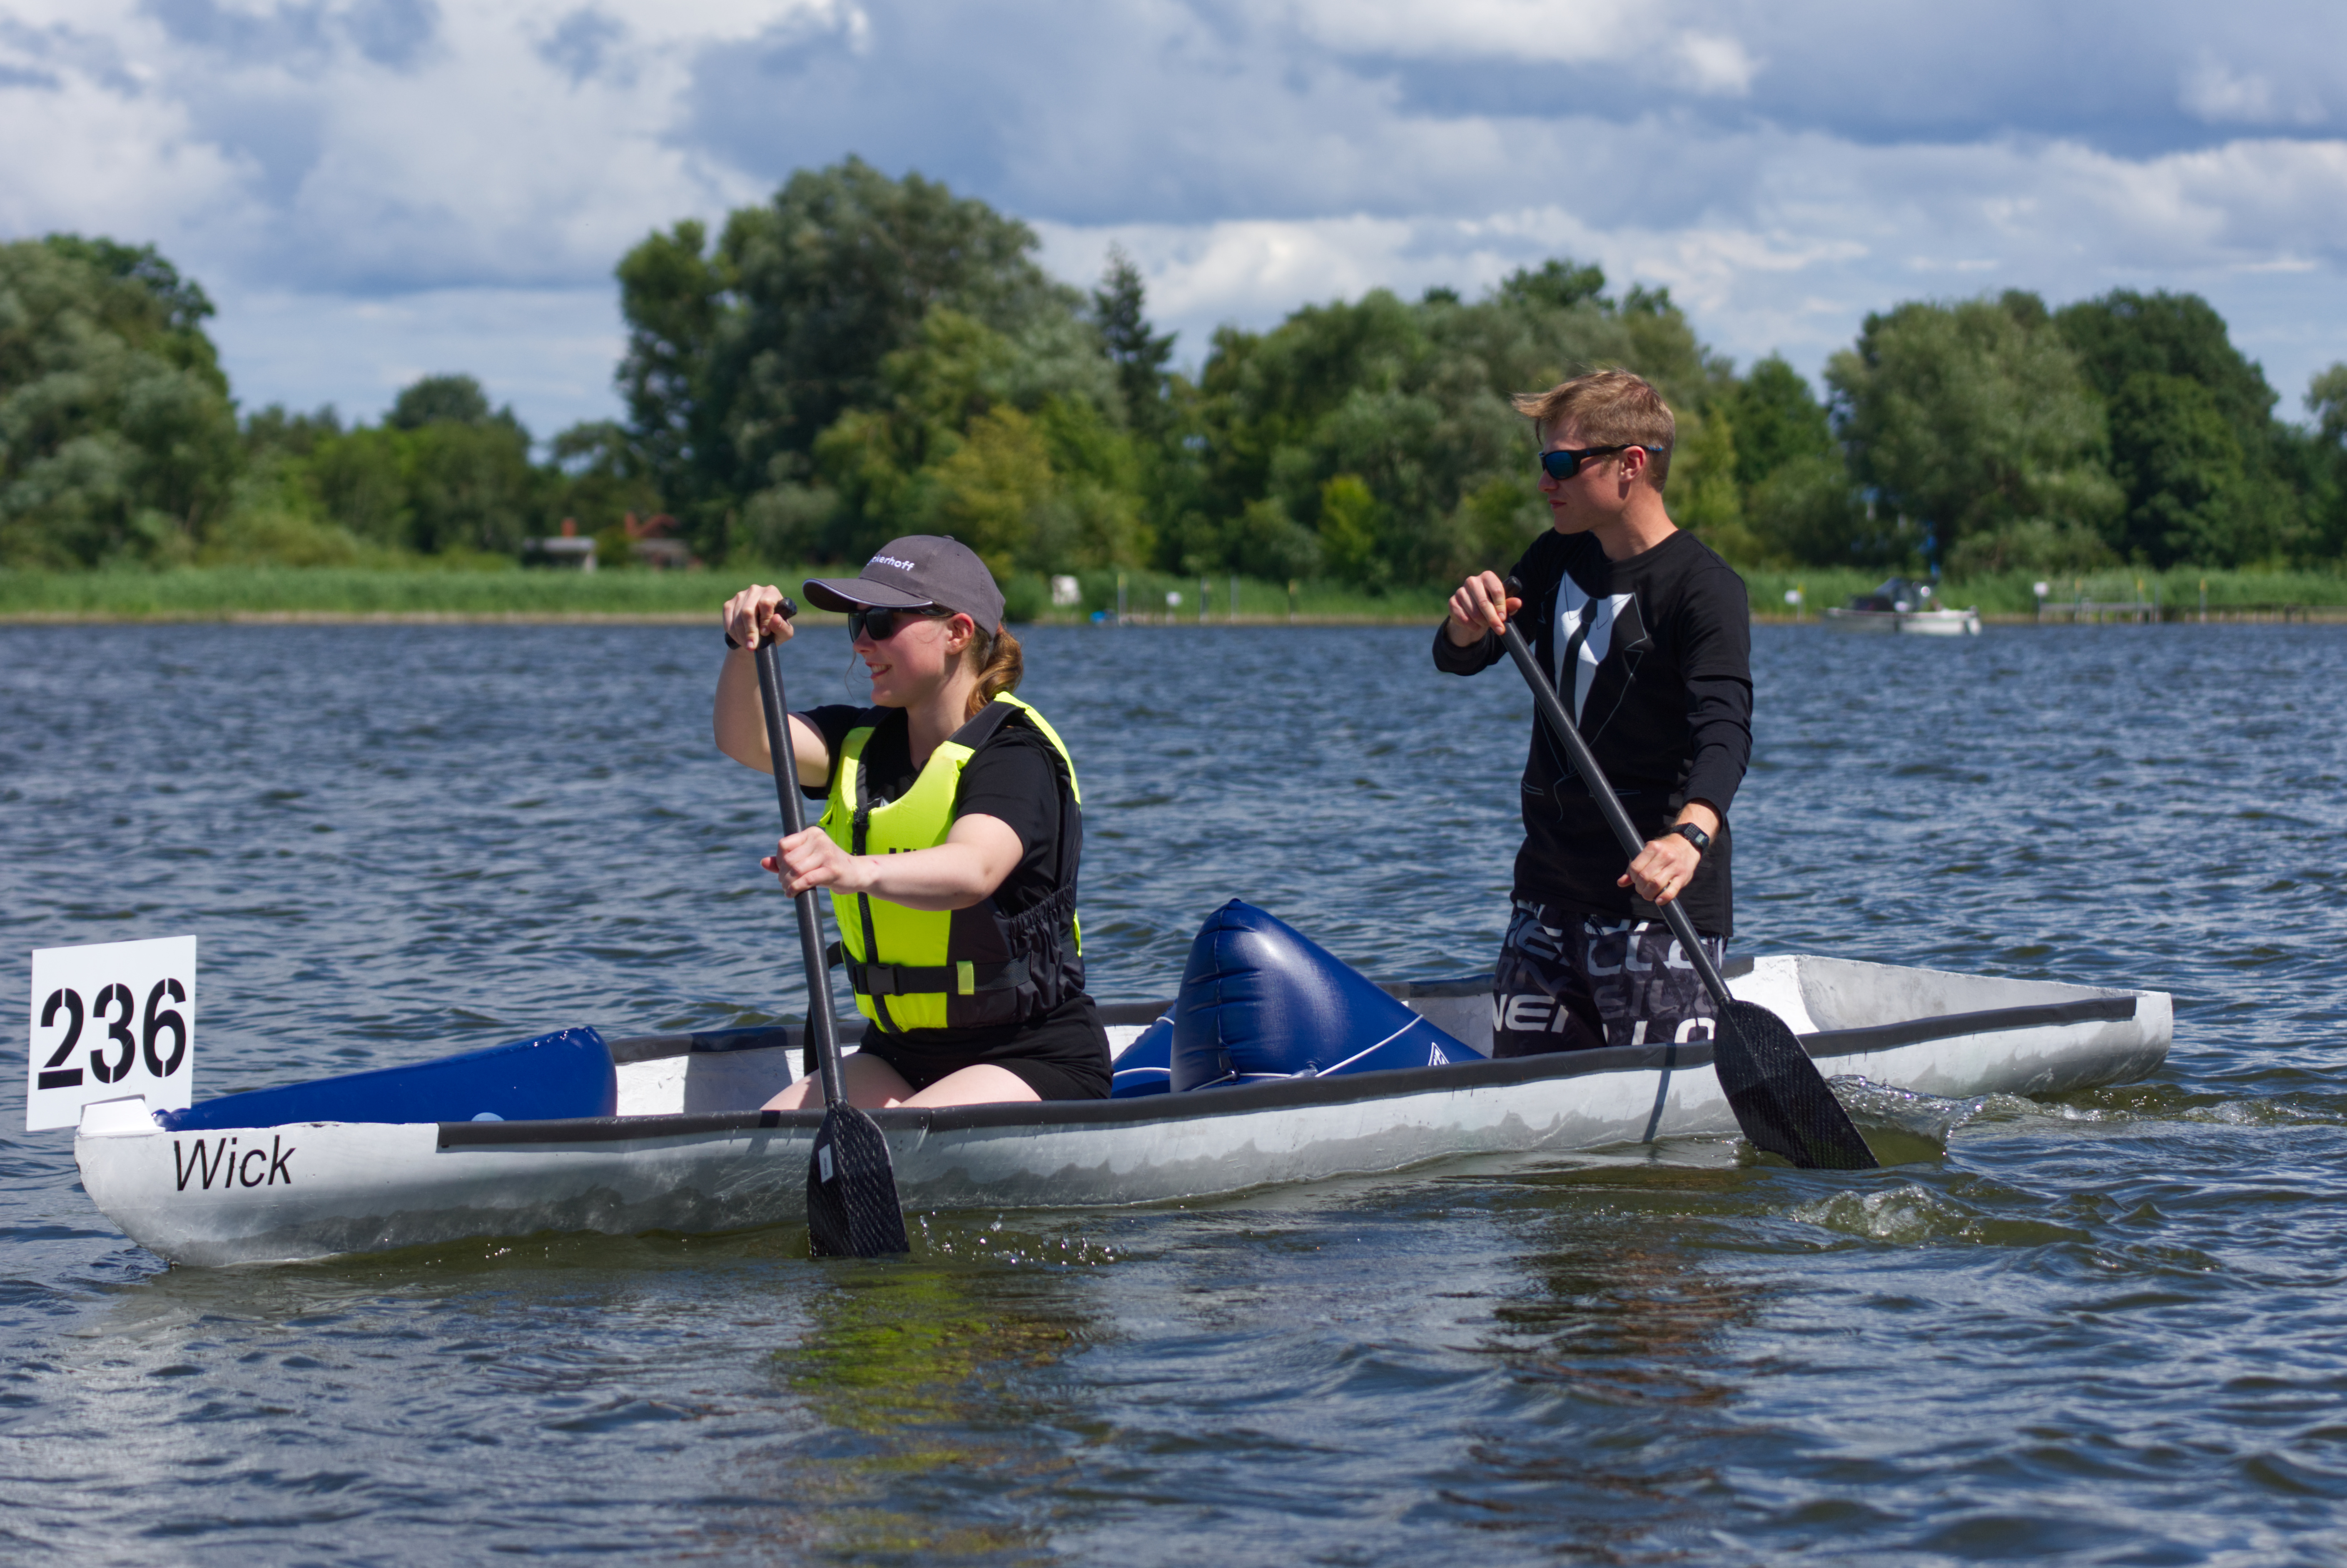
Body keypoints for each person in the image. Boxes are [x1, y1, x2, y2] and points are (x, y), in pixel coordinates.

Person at [714, 535, 1110, 1108]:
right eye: (858, 624)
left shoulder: (1015, 754)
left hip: (1032, 1055)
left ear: (958, 632)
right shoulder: (856, 741)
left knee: (900, 1147)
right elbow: (745, 739)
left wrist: (851, 868)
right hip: (898, 1053)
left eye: (881, 621)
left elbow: (973, 869)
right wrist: (742, 646)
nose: (863, 644)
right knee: (772, 1146)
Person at [1434, 370, 1752, 1057]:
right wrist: (1466, 624)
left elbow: (1725, 730)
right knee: (1530, 1132)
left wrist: (1689, 837)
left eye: (1562, 464)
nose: (1545, 482)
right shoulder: (1555, 558)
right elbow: (1460, 656)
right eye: (1542, 463)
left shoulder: (1705, 589)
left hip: (1654, 905)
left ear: (1630, 464)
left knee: (1670, 1168)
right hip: (1545, 897)